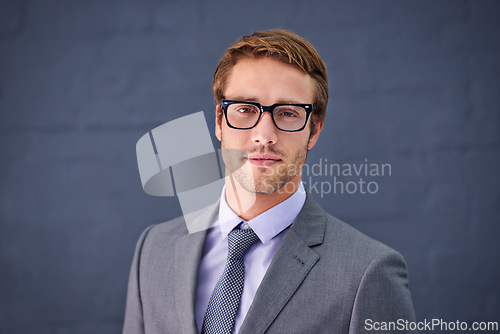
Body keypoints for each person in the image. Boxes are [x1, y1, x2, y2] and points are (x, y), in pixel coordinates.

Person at [123, 29, 416, 334]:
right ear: (220, 122)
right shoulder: (154, 249)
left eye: (288, 113)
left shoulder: (369, 271)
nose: (264, 135)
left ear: (314, 130)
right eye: (246, 109)